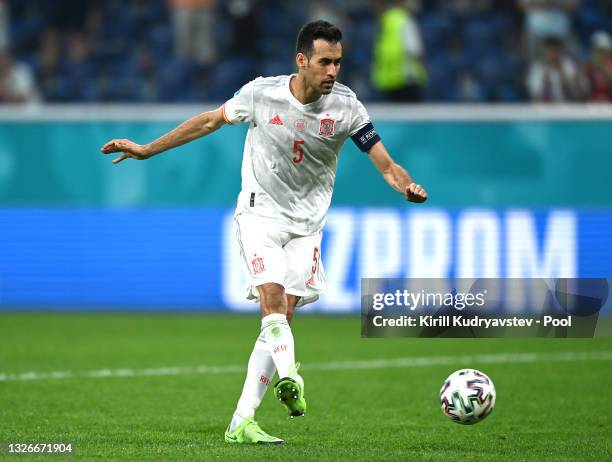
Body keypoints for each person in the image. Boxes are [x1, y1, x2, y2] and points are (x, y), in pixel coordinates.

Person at [100, 20, 427, 444]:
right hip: (260, 215)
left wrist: (404, 184)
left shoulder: (347, 108)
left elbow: (384, 161)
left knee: (284, 315)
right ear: (302, 60)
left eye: (338, 63)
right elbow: (207, 122)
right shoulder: (261, 93)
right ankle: (292, 378)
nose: (332, 71)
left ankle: (241, 422)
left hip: (307, 225)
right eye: (325, 62)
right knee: (272, 301)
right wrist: (146, 149)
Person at [371, 0, 427, 102]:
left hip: (388, 79)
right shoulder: (404, 19)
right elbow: (415, 50)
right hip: (407, 77)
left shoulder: (386, 19)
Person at [525, 36, 586, 102]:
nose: (552, 54)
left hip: (567, 106)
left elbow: (578, 93)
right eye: (549, 51)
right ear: (544, 52)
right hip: (545, 108)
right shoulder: (537, 67)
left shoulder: (568, 64)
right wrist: (545, 80)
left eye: (555, 51)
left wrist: (562, 75)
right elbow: (535, 96)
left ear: (560, 51)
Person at [585, 30, 612, 102]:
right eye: (596, 50)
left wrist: (603, 70)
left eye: (602, 51)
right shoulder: (588, 65)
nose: (599, 54)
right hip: (593, 104)